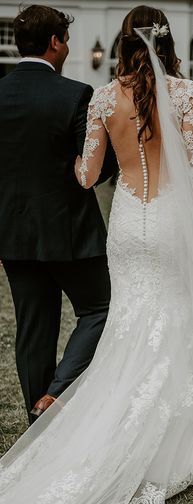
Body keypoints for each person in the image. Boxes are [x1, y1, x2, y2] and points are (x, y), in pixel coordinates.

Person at [0, 5, 193, 504]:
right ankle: (170, 446)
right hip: (172, 218)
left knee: (129, 323)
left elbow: (85, 175)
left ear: (122, 44)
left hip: (129, 221)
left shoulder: (104, 98)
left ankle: (91, 420)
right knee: (173, 320)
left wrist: (72, 158)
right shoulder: (186, 94)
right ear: (167, 41)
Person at [0, 5, 116, 424]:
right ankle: (57, 393)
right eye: (66, 39)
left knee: (33, 330)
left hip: (13, 238)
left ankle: (38, 423)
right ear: (54, 42)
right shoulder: (75, 94)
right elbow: (99, 166)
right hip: (73, 235)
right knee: (102, 308)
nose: (67, 47)